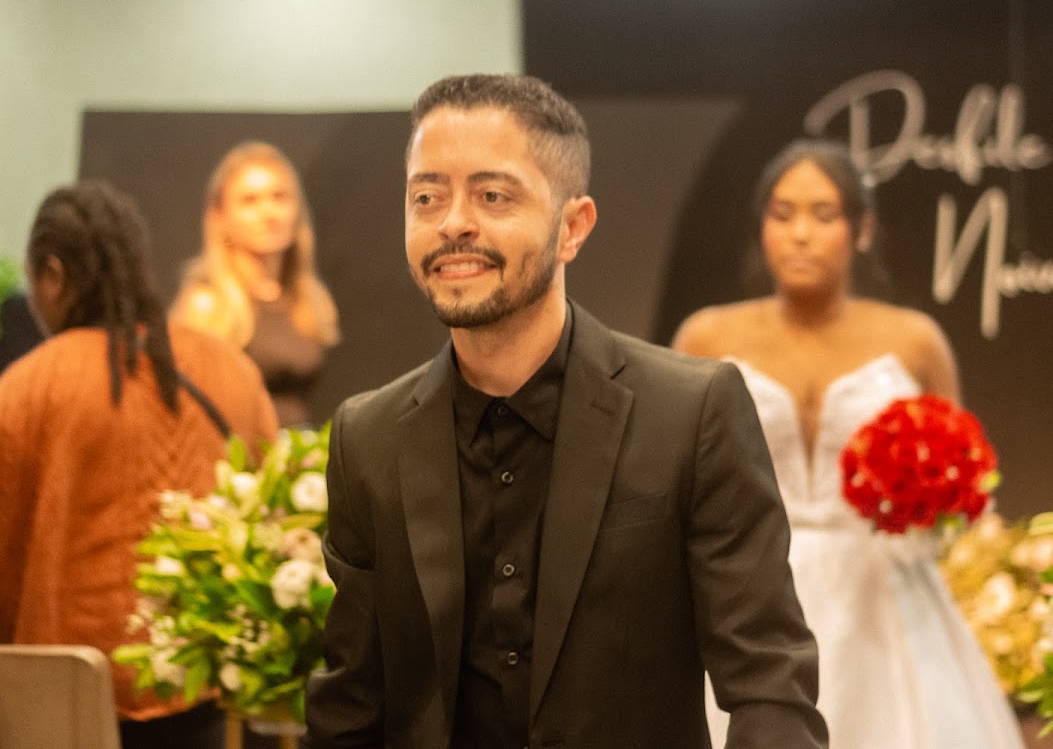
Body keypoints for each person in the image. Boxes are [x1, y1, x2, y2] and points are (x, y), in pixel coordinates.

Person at [303, 74, 827, 749]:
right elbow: (350, 708)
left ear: (572, 227)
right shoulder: (368, 439)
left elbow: (770, 686)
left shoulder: (691, 414)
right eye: (426, 197)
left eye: (492, 196)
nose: (453, 222)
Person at [672, 139, 1023, 749]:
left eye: (824, 214)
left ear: (862, 229)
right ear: (761, 227)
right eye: (782, 214)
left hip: (885, 602)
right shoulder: (706, 336)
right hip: (745, 596)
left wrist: (936, 515)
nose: (800, 234)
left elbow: (967, 481)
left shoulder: (915, 341)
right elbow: (671, 478)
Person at [0, 180, 279, 749]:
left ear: (53, 275)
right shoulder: (229, 370)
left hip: (65, 703)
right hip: (207, 691)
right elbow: (270, 515)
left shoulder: (27, 390)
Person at [172, 141, 340, 427]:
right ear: (220, 217)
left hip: (300, 449)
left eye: (279, 197)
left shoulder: (310, 300)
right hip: (236, 453)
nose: (268, 212)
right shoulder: (207, 304)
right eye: (250, 201)